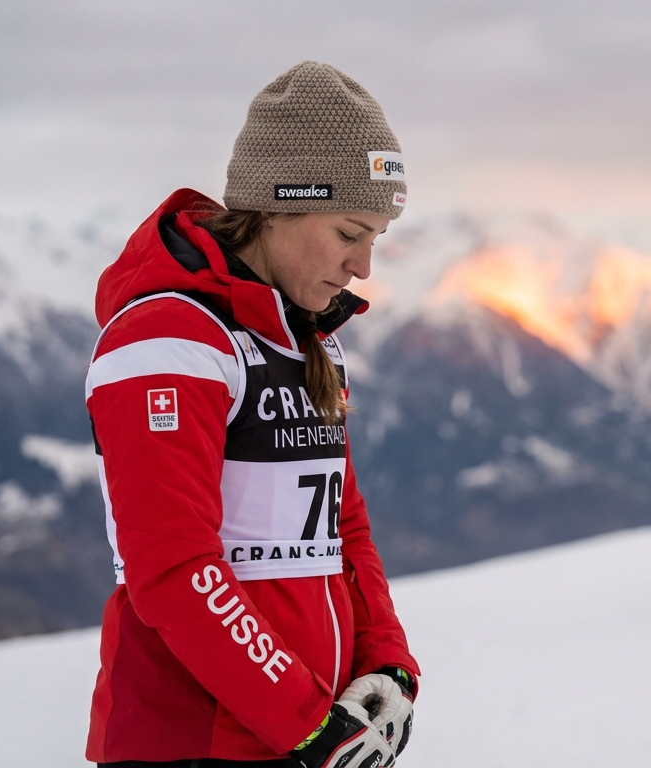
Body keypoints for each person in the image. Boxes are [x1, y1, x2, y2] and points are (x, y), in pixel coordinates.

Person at [85, 62, 419, 768]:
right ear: (278, 206)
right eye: (350, 232)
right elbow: (173, 565)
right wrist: (306, 724)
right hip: (197, 744)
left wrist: (386, 662)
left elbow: (342, 525)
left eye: (376, 239)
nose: (362, 265)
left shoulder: (304, 338)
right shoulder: (168, 340)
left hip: (296, 738)